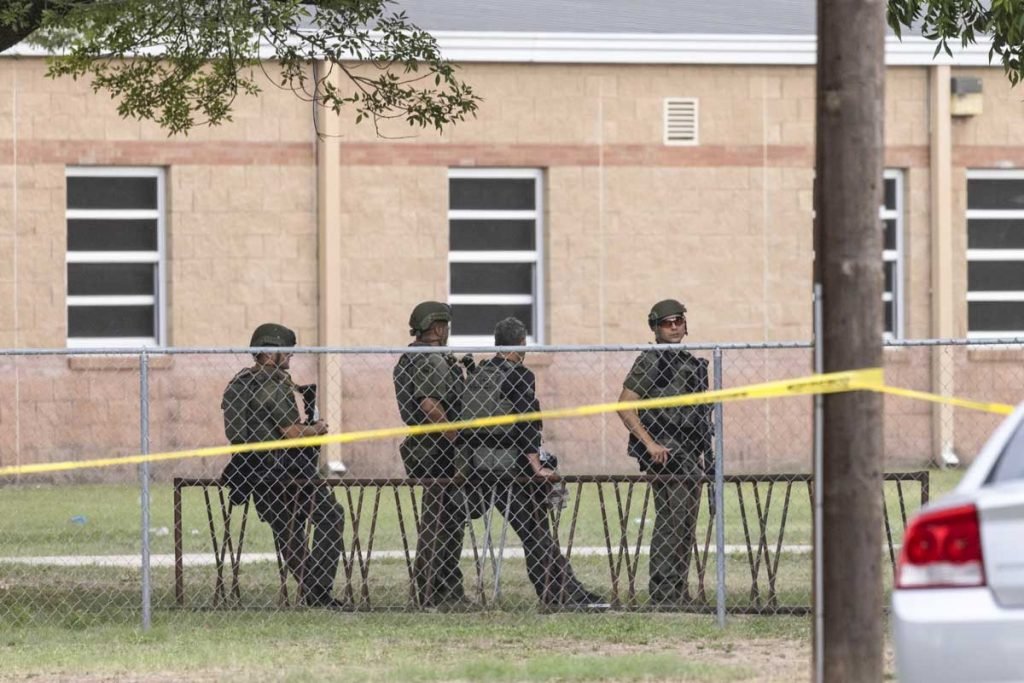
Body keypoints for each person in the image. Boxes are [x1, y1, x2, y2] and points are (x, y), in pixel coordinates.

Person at [459, 316, 609, 611]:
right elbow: (526, 424)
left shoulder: (478, 375)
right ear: (521, 343)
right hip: (510, 469)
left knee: (533, 531)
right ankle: (561, 593)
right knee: (535, 532)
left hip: (477, 467)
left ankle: (562, 589)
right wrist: (536, 466)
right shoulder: (519, 375)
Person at [221, 323, 346, 609]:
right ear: (270, 352)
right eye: (286, 353)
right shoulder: (273, 384)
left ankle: (313, 591)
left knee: (287, 530)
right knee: (331, 516)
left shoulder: (239, 384)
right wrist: (316, 429)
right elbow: (290, 432)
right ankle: (319, 591)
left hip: (252, 472)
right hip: (287, 472)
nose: (289, 359)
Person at [616, 300, 714, 609]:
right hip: (665, 452)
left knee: (684, 524)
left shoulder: (686, 362)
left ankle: (676, 591)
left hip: (688, 451)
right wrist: (649, 444)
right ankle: (663, 593)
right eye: (667, 323)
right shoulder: (652, 361)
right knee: (671, 522)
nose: (674, 327)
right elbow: (625, 404)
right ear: (655, 328)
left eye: (678, 321)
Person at [392, 302, 472, 608]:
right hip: (437, 449)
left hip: (429, 447)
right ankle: (435, 590)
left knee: (445, 518)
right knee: (443, 521)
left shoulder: (415, 357)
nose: (448, 331)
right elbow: (429, 405)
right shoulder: (432, 359)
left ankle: (440, 589)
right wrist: (455, 437)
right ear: (437, 328)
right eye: (446, 326)